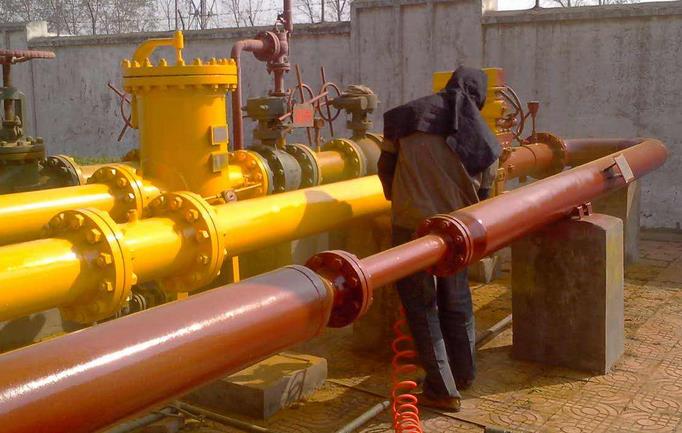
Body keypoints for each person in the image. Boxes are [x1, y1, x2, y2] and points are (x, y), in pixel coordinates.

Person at [378, 67, 500, 411]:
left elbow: (385, 169)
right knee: (456, 299)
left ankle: (443, 389)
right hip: (456, 230)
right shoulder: (481, 134)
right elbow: (485, 191)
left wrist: (402, 198)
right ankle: (464, 374)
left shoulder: (405, 116)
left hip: (411, 227)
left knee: (421, 306)